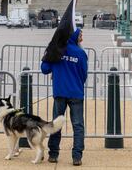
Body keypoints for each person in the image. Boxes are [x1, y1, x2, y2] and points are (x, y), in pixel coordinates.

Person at [40, 28, 88, 166]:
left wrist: (48, 52)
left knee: (56, 124)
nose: (81, 38)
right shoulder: (80, 53)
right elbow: (84, 74)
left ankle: (53, 154)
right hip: (76, 93)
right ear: (75, 36)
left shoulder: (57, 50)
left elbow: (44, 69)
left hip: (60, 92)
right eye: (80, 35)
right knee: (78, 125)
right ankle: (77, 156)